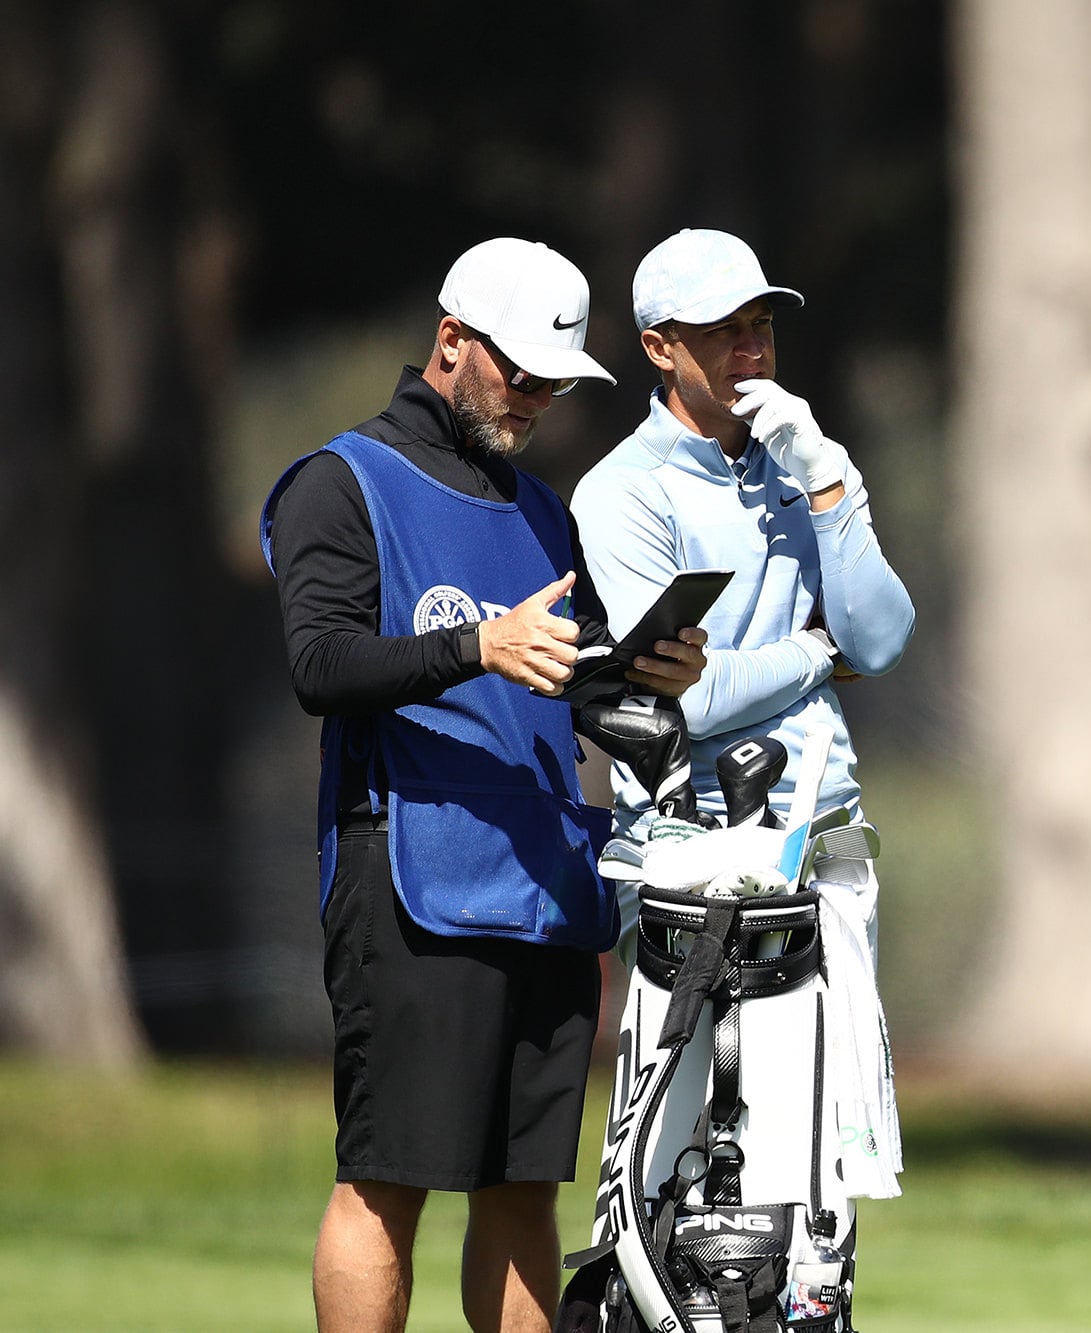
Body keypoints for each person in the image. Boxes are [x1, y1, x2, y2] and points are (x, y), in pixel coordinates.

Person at [260, 237, 709, 1333]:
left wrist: (644, 673)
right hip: (408, 875)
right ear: (452, 340)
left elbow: (565, 683)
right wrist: (478, 647)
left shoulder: (543, 512)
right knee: (388, 1177)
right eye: (521, 372)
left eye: (556, 383)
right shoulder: (340, 482)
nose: (538, 399)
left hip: (544, 883)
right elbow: (322, 665)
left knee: (522, 1187)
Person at [570, 228, 915, 1196]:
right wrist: (815, 653)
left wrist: (829, 482)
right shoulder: (622, 492)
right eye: (721, 330)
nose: (750, 348)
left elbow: (884, 637)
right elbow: (695, 695)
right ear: (658, 346)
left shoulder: (804, 467)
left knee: (819, 1155)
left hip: (822, 834)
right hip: (690, 845)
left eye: (759, 324)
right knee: (680, 1161)